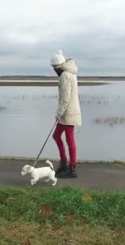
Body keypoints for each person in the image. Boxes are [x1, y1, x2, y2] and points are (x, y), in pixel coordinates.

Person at [50, 50, 81, 178]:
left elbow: (65, 98)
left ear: (58, 67)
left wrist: (58, 113)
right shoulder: (69, 73)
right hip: (65, 114)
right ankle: (64, 164)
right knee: (56, 136)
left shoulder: (65, 76)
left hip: (68, 114)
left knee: (69, 139)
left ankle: (72, 169)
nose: (53, 70)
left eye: (53, 68)